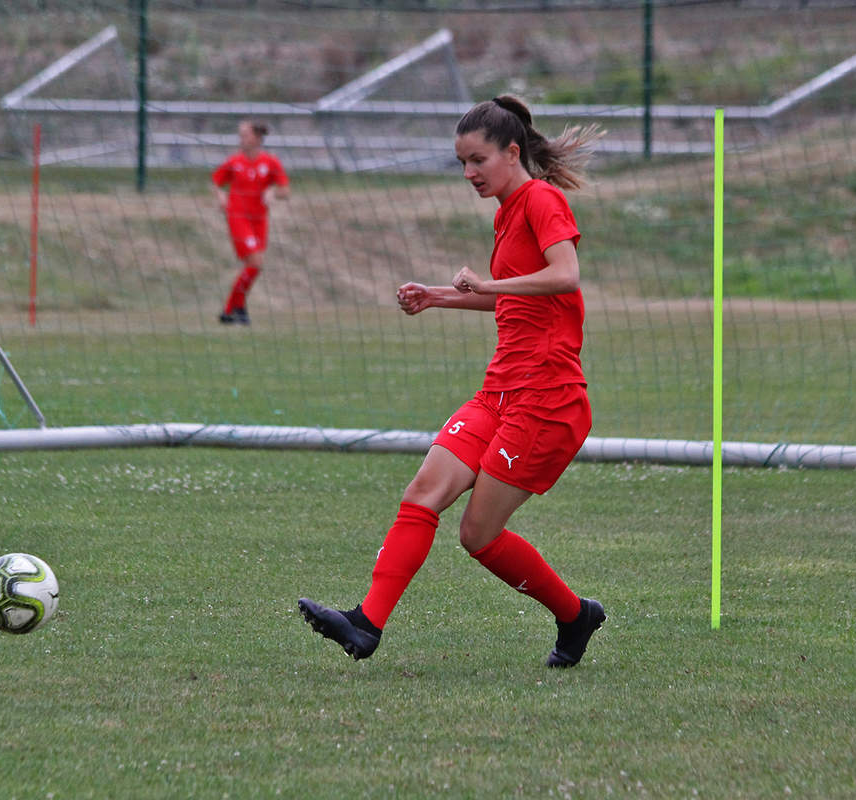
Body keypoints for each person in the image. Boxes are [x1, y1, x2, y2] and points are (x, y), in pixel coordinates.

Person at [298, 95, 605, 668]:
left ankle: (574, 614)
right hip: (498, 392)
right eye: (461, 163)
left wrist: (484, 286)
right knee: (423, 493)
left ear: (513, 153)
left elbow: (565, 276)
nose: (468, 174)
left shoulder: (541, 199)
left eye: (477, 161)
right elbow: (516, 304)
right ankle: (366, 624)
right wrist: (438, 296)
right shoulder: (506, 212)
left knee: (478, 535)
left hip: (547, 399)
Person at [211, 120, 290, 325]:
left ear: (256, 138)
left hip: (259, 220)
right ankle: (230, 309)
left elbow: (285, 190)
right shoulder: (234, 161)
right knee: (255, 263)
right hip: (237, 217)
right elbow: (217, 181)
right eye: (240, 135)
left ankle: (238, 309)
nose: (241, 139)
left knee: (253, 267)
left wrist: (272, 191)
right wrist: (220, 196)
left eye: (245, 135)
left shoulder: (271, 162)